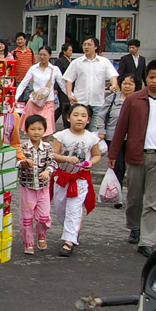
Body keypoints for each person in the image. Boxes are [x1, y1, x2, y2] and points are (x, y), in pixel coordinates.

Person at [107, 60, 156, 258]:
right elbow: (121, 128)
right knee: (134, 197)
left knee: (154, 201)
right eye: (151, 77)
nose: (154, 81)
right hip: (135, 155)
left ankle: (147, 240)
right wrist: (113, 154)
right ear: (145, 78)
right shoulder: (133, 100)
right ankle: (134, 226)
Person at [51, 103, 101, 257]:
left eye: (83, 116)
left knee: (73, 209)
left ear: (88, 120)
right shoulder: (61, 135)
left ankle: (68, 242)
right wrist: (66, 158)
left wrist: (90, 163)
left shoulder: (92, 138)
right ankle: (72, 231)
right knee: (60, 209)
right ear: (68, 117)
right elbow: (53, 154)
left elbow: (97, 155)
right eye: (76, 115)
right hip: (62, 178)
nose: (79, 119)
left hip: (80, 179)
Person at [17, 115, 55, 255]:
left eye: (40, 129)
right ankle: (28, 242)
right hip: (27, 187)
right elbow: (16, 163)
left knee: (44, 216)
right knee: (27, 216)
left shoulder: (47, 147)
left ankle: (41, 235)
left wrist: (48, 171)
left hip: (43, 187)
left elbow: (53, 162)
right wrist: (23, 163)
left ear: (44, 130)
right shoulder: (22, 148)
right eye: (33, 129)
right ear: (26, 130)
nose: (36, 132)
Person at [63, 36, 119, 131]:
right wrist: (69, 94)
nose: (86, 47)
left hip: (97, 103)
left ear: (95, 47)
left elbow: (112, 75)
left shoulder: (104, 62)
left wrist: (113, 85)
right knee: (78, 129)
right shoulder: (76, 62)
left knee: (94, 132)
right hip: (80, 102)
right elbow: (69, 80)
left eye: (89, 44)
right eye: (84, 45)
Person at [96, 74, 137, 198]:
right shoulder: (112, 98)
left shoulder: (138, 100)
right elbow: (101, 115)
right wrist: (101, 130)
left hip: (132, 139)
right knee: (118, 166)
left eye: (130, 84)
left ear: (135, 86)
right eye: (125, 83)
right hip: (113, 137)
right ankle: (115, 194)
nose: (127, 86)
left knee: (130, 168)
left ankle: (129, 195)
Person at [15, 45, 63, 138]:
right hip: (34, 102)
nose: (42, 57)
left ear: (50, 55)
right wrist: (16, 97)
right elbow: (23, 83)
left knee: (46, 130)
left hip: (48, 102)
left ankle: (45, 150)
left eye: (44, 55)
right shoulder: (33, 68)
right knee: (32, 129)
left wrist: (70, 95)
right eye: (40, 54)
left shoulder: (55, 69)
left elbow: (62, 85)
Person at [53, 43, 73, 128]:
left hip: (68, 86)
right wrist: (56, 88)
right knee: (65, 105)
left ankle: (52, 119)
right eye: (69, 50)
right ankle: (66, 125)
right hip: (62, 87)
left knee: (63, 107)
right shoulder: (60, 61)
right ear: (64, 51)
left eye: (71, 50)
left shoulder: (71, 61)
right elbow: (57, 76)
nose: (71, 52)